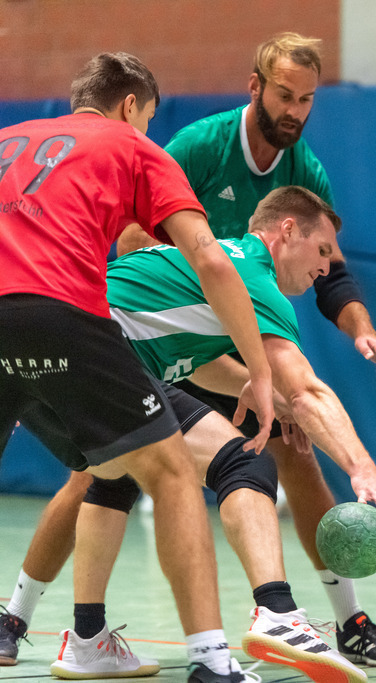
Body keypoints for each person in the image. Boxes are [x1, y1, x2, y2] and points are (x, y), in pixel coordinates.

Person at [3, 187, 376, 683]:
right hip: (96, 350)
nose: (326, 269)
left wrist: (279, 408)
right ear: (286, 232)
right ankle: (277, 612)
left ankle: (87, 641)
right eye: (322, 251)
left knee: (114, 474)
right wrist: (365, 473)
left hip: (35, 352)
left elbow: (204, 363)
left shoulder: (208, 267)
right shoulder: (254, 275)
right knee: (245, 460)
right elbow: (307, 390)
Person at [91, 32, 376, 667]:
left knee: (269, 443)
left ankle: (85, 633)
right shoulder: (201, 149)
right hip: (116, 338)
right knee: (199, 465)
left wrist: (356, 330)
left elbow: (331, 276)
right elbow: (132, 232)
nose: (296, 109)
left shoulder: (304, 174)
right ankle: (251, 628)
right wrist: (366, 471)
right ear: (256, 87)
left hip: (164, 339)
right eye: (285, 95)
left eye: (308, 99)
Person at [0, 52, 276, 683]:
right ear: (132, 107)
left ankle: (78, 634)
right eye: (149, 117)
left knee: (102, 465)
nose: (147, 128)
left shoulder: (9, 140)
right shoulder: (132, 147)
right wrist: (257, 370)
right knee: (173, 469)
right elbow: (207, 258)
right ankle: (212, 661)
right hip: (61, 312)